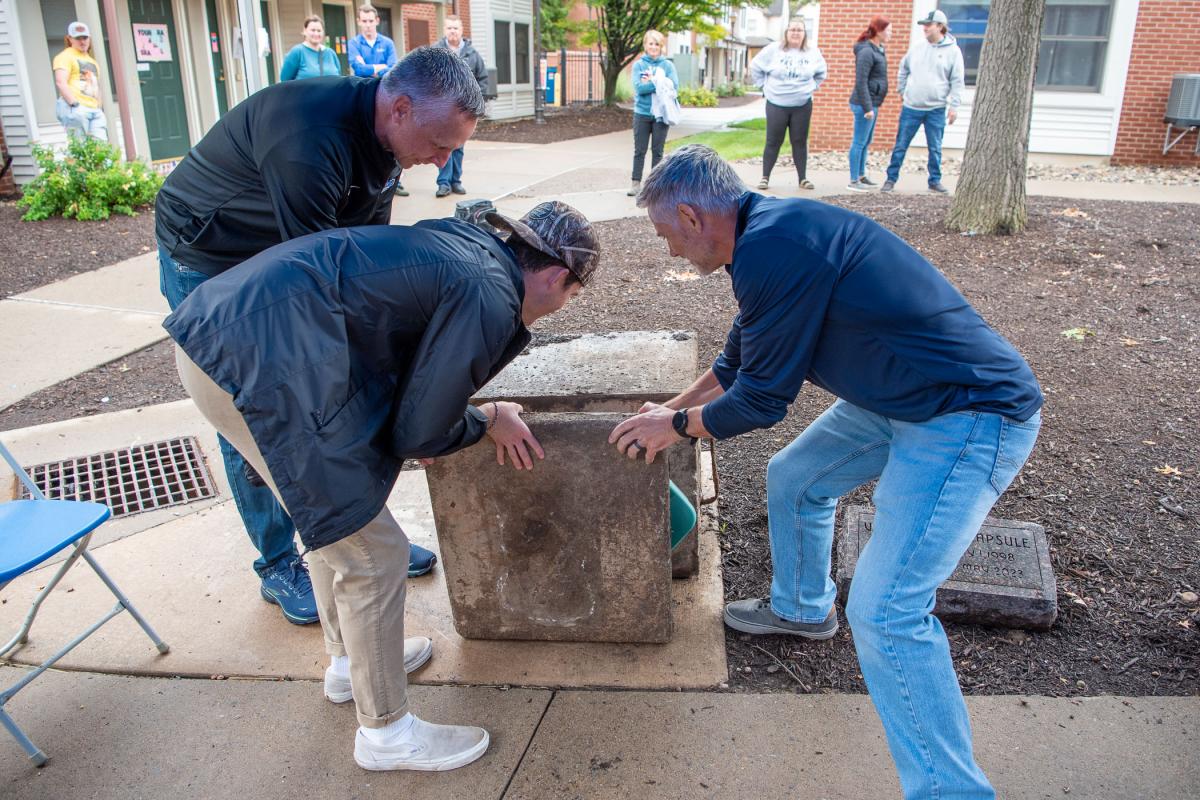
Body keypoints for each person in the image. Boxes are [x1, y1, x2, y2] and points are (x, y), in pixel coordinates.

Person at [612, 145, 1042, 800]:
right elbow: (736, 362)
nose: (669, 249)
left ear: (695, 217)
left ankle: (952, 793)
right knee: (796, 478)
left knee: (887, 609)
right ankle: (802, 608)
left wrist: (671, 431)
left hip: (967, 414)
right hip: (898, 401)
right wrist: (668, 409)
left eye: (666, 233)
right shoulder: (763, 238)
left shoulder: (779, 246)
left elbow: (760, 400)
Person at [164, 201, 600, 771]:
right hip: (255, 367)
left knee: (337, 524)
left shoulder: (466, 249)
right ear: (556, 275)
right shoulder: (492, 295)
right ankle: (387, 734)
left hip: (223, 342)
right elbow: (420, 432)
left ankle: (349, 664)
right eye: (570, 295)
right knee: (375, 554)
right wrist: (489, 418)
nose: (560, 307)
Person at [155, 47, 483, 625]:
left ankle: (358, 533)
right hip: (209, 259)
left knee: (343, 391)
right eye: (439, 146)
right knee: (256, 410)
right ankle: (279, 562)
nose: (440, 162)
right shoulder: (309, 137)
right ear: (400, 108)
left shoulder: (386, 141)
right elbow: (310, 290)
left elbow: (360, 270)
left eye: (451, 151)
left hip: (281, 250)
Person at [881, 9, 964, 194]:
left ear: (940, 27)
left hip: (936, 108)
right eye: (924, 25)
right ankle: (890, 179)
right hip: (911, 107)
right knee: (901, 145)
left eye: (928, 25)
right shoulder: (917, 47)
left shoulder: (953, 51)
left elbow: (957, 81)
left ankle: (934, 181)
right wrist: (902, 91)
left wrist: (954, 107)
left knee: (935, 148)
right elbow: (903, 69)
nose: (925, 28)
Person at [749, 17, 826, 191]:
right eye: (792, 30)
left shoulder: (813, 52)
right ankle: (765, 177)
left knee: (799, 141)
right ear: (786, 32)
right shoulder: (773, 50)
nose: (796, 33)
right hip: (777, 103)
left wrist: (811, 88)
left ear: (804, 33)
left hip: (802, 104)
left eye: (799, 30)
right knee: (773, 141)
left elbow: (821, 73)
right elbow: (755, 66)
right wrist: (763, 87)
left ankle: (803, 178)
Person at [348, 4, 408, 196]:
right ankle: (369, 181)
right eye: (363, 21)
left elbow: (392, 68)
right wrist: (378, 67)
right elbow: (357, 69)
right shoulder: (354, 43)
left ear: (377, 21)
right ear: (359, 22)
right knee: (367, 138)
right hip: (363, 100)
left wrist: (370, 67)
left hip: (385, 98)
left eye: (370, 21)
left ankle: (393, 180)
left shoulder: (387, 43)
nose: (367, 25)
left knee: (391, 138)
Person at [433, 15, 489, 198]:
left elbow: (483, 79)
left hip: (463, 111)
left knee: (458, 147)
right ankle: (443, 183)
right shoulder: (436, 52)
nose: (452, 31)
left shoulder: (472, 54)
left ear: (462, 30)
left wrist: (475, 101)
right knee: (442, 146)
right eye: (449, 28)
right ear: (444, 30)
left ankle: (456, 181)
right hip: (441, 110)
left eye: (455, 28)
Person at [626, 30, 679, 197]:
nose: (654, 47)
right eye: (651, 43)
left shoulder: (668, 66)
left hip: (661, 115)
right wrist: (659, 83)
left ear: (661, 46)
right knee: (639, 150)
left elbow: (674, 87)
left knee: (658, 152)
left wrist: (651, 81)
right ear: (645, 45)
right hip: (641, 113)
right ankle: (636, 183)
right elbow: (639, 88)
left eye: (657, 44)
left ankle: (655, 186)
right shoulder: (639, 65)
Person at [846, 16, 890, 192]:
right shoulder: (866, 51)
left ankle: (862, 175)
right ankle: (853, 180)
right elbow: (861, 81)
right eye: (889, 30)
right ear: (878, 31)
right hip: (864, 105)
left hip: (873, 103)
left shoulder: (878, 49)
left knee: (866, 141)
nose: (891, 34)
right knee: (858, 142)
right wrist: (867, 107)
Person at [53, 22, 108, 141]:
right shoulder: (64, 56)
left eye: (85, 37)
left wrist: (99, 106)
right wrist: (74, 104)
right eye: (78, 38)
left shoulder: (91, 61)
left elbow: (96, 85)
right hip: (76, 108)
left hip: (94, 109)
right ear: (70, 39)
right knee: (81, 149)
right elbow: (60, 82)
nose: (82, 41)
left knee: (101, 150)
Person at [280, 16, 343, 81]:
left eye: (319, 31)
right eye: (313, 30)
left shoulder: (331, 53)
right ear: (304, 31)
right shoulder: (297, 52)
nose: (316, 33)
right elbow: (285, 80)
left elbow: (339, 78)